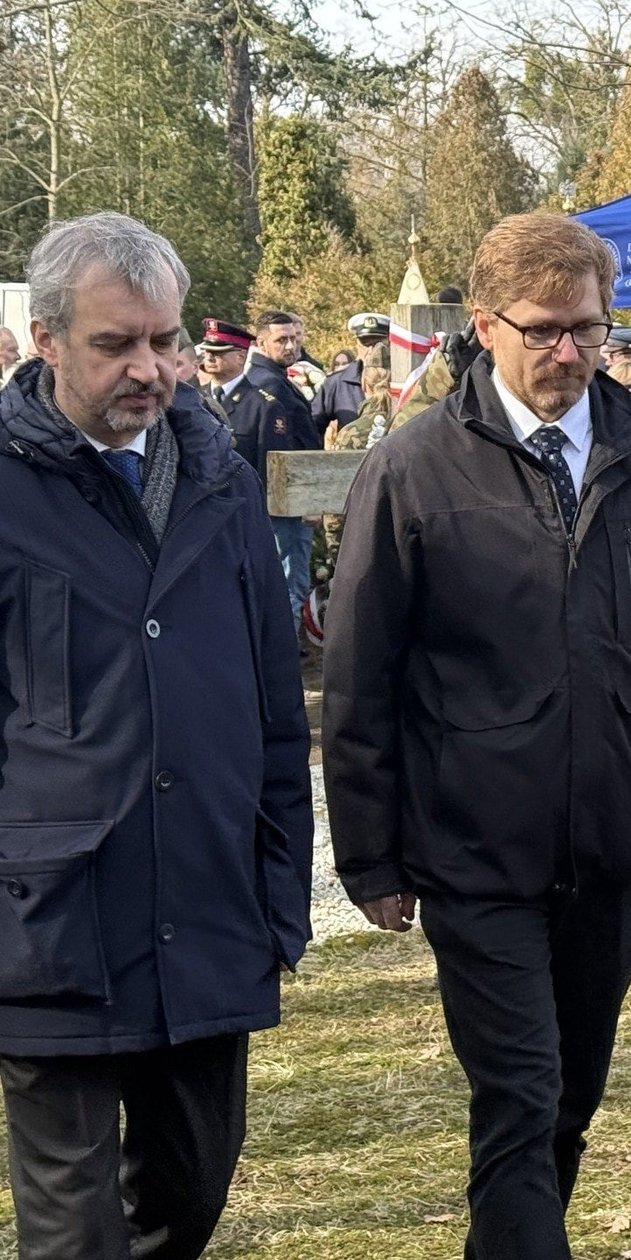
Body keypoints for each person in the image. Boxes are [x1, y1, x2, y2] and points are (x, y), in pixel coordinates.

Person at [323, 210, 631, 1260]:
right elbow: (362, 677)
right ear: (485, 326)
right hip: (473, 846)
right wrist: (370, 854)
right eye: (545, 329)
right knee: (519, 1091)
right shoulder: (414, 470)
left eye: (588, 329)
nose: (569, 352)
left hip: (613, 842)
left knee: (568, 1098)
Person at [0, 211, 311, 1260]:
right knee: (71, 1228)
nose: (150, 368)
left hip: (209, 904)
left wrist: (279, 885)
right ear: (47, 340)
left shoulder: (222, 483)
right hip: (48, 925)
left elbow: (274, 706)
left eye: (164, 340)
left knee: (192, 1188)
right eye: (115, 343)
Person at [224, 310, 321, 633]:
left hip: (285, 501)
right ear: (262, 343)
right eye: (281, 340)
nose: (291, 346)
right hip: (286, 504)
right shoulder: (269, 386)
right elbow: (278, 454)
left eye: (295, 338)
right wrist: (309, 501)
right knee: (289, 586)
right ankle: (285, 656)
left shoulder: (274, 380)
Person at [311, 312, 391, 432]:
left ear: (389, 343)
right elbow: (313, 426)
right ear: (357, 345)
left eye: (377, 344)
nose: (371, 351)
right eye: (365, 344)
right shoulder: (337, 383)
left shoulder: (402, 381)